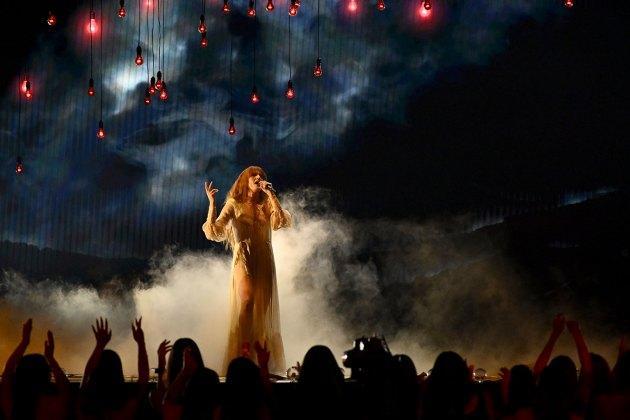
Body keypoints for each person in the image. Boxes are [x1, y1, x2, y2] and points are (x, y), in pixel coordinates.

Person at [202, 166, 291, 374]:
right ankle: (242, 354)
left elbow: (281, 222)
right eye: (254, 175)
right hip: (244, 258)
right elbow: (215, 230)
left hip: (264, 259)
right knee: (247, 300)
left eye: (261, 175)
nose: (258, 178)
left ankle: (259, 359)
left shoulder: (266, 203)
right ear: (245, 180)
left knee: (261, 308)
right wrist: (212, 204)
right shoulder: (234, 204)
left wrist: (271, 194)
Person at [78, 317, 149, 419]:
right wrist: (141, 343)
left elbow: (87, 375)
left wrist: (99, 346)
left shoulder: (85, 404)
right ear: (118, 371)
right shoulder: (126, 408)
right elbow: (144, 379)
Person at [0, 319, 70, 420]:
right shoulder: (53, 409)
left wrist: (24, 342)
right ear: (47, 375)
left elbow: (7, 372)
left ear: (19, 375)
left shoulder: (13, 408)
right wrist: (51, 358)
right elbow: (65, 387)